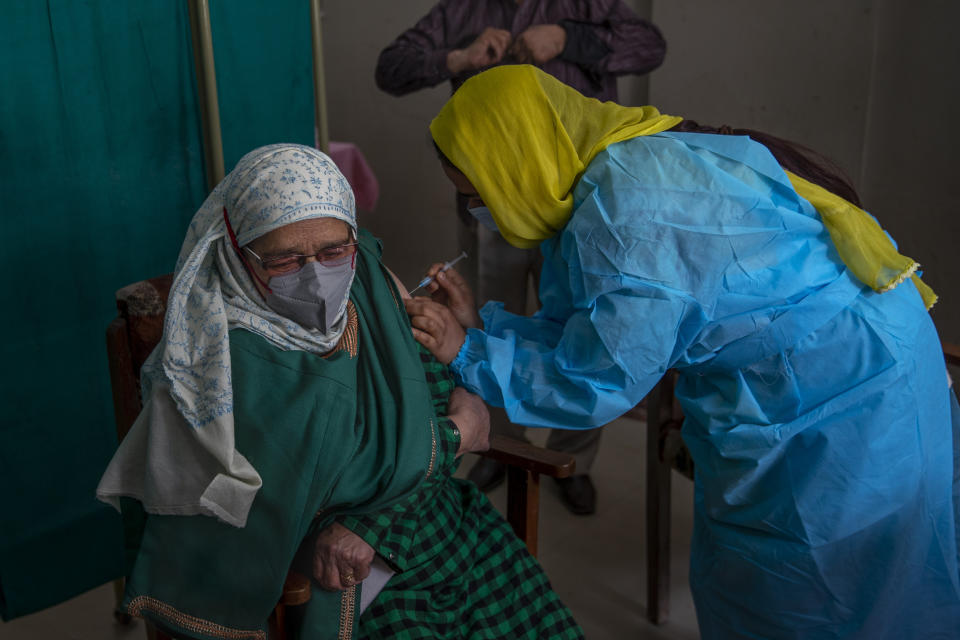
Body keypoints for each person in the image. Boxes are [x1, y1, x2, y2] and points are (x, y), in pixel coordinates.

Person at [406, 65, 960, 638]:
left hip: (846, 391)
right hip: (808, 367)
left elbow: (593, 380)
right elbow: (583, 329)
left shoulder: (628, 214)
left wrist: (468, 352)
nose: (480, 214)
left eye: (477, 196)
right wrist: (479, 332)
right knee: (788, 577)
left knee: (832, 589)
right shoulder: (605, 170)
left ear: (515, 162)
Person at [96, 144, 584, 640]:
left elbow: (431, 401)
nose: (316, 276)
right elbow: (313, 494)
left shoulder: (366, 282)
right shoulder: (224, 362)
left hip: (446, 528)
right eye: (284, 260)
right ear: (238, 252)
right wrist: (457, 433)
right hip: (357, 577)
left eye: (333, 251)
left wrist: (455, 364)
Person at [376, 0, 667, 514]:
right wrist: (459, 58)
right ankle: (502, 443)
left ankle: (570, 458)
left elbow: (651, 46)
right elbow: (391, 69)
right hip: (497, 200)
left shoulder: (586, 6)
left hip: (578, 207)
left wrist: (568, 39)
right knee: (490, 315)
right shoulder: (462, 11)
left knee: (587, 330)